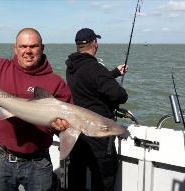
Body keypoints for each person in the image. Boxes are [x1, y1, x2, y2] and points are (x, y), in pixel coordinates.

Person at [0, 28, 72, 191]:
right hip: (2, 159)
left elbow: (65, 128)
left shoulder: (55, 82)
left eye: (33, 46)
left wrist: (58, 128)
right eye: (22, 46)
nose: (28, 51)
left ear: (42, 48)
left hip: (38, 163)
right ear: (15, 48)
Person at [65, 28, 128, 191]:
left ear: (78, 46)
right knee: (104, 176)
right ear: (95, 43)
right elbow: (120, 96)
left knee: (76, 173)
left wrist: (113, 73)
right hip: (97, 131)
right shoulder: (95, 68)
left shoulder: (72, 66)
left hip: (77, 129)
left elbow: (89, 80)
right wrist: (112, 82)